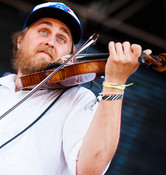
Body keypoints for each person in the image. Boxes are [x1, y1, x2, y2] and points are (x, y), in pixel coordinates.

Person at [0, 2, 151, 175]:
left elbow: (89, 170)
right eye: (43, 31)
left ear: (71, 56)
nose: (50, 42)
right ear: (19, 41)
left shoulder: (78, 99)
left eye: (61, 39)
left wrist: (115, 82)